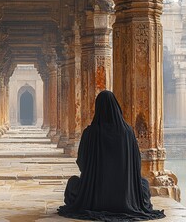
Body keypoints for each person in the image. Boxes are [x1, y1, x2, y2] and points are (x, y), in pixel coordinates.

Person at [58, 90, 165, 221]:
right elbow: (137, 163)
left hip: (94, 198)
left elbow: (82, 163)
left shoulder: (90, 133)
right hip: (125, 198)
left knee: (73, 183)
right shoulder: (128, 132)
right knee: (143, 184)